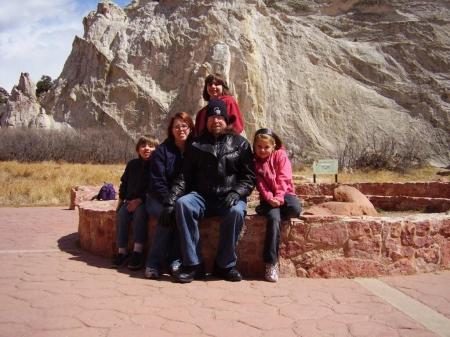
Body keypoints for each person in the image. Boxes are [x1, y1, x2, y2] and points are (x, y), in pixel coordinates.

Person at [163, 98, 255, 283]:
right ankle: (193, 264)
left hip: (229, 196)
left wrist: (236, 193)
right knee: (183, 204)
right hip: (202, 196)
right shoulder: (196, 144)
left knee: (236, 211)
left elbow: (249, 177)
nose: (216, 120)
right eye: (212, 117)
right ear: (206, 121)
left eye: (220, 117)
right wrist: (170, 201)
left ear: (227, 120)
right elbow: (184, 177)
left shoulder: (241, 143)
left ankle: (225, 265)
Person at [144, 112, 194, 279]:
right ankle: (154, 264)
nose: (181, 129)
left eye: (184, 126)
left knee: (179, 214)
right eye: (177, 126)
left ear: (190, 128)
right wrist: (169, 202)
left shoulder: (195, 150)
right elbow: (157, 182)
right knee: (167, 217)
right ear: (171, 130)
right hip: (157, 198)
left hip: (179, 198)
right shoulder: (162, 151)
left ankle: (175, 260)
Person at [253, 128, 301, 282]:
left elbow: (284, 178)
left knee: (295, 209)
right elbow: (261, 184)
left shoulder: (281, 156)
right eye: (259, 147)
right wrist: (269, 199)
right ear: (255, 146)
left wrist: (279, 198)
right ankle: (271, 264)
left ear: (273, 146)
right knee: (274, 219)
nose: (262, 150)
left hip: (284, 194)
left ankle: (272, 210)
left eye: (266, 147)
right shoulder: (255, 163)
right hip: (268, 200)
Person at [112, 135, 159, 270]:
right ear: (138, 149)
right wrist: (121, 201)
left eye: (151, 146)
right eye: (143, 146)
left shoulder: (157, 166)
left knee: (140, 214)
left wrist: (140, 200)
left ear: (156, 149)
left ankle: (138, 251)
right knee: (121, 215)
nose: (147, 149)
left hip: (146, 201)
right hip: (129, 200)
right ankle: (122, 251)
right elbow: (124, 184)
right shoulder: (132, 164)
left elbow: (155, 188)